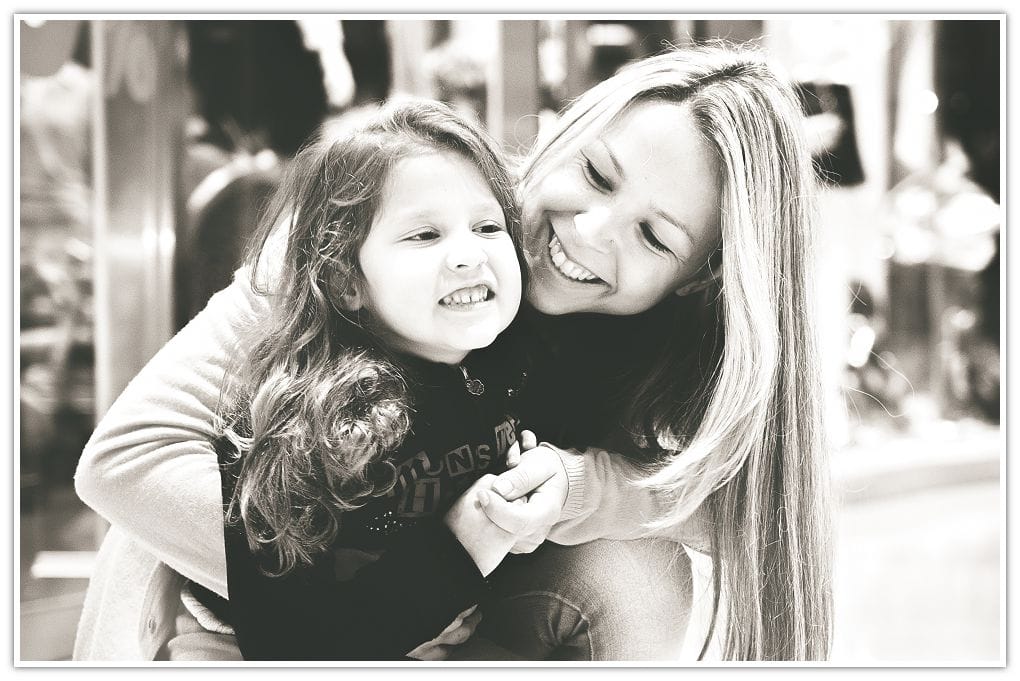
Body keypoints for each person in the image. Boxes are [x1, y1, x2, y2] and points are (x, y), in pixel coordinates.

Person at [74, 43, 832, 662]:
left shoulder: (674, 344)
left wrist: (581, 488)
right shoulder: (383, 217)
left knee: (644, 576)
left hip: (440, 614)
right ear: (562, 130)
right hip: (235, 607)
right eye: (597, 173)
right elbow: (125, 459)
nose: (591, 230)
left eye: (653, 236)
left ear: (698, 279)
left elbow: (741, 506)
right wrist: (404, 577)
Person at [189, 100, 548, 660]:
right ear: (345, 282)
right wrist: (463, 552)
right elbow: (287, 642)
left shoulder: (509, 366)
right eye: (424, 235)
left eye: (487, 226)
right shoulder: (303, 425)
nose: (467, 255)